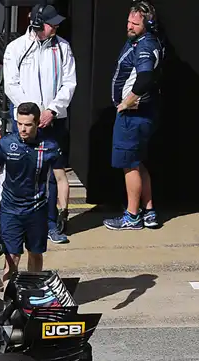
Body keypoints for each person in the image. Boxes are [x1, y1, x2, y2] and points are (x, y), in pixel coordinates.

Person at [2, 1, 77, 244]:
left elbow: (69, 83)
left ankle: (51, 224)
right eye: (51, 23)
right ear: (36, 23)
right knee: (21, 172)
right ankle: (17, 222)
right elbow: (11, 85)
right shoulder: (16, 48)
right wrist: (32, 114)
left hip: (53, 121)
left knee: (53, 174)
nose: (55, 27)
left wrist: (52, 110)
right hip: (26, 122)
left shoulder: (64, 48)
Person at [0, 102, 70, 282]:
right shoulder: (6, 143)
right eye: (19, 124)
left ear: (37, 124)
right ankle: (8, 297)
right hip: (10, 209)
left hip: (37, 210)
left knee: (35, 254)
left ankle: (32, 292)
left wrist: (64, 210)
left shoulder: (49, 146)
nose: (23, 129)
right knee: (11, 257)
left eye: (28, 125)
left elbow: (61, 179)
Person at [103, 1, 164, 231]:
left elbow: (146, 77)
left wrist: (127, 102)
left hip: (133, 116)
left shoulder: (145, 45)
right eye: (128, 21)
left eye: (135, 23)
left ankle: (132, 215)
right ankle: (149, 212)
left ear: (147, 24)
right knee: (138, 163)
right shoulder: (146, 40)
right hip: (144, 116)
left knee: (129, 165)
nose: (129, 26)